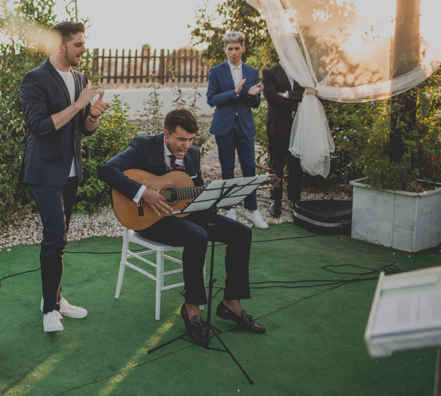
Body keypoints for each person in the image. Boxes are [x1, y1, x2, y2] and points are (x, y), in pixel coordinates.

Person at [99, 108, 266, 345]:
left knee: (241, 233)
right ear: (166, 133)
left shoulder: (193, 154)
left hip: (185, 213)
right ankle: (192, 308)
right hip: (150, 218)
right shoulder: (143, 146)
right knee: (197, 236)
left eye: (190, 140)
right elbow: (106, 170)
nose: (186, 145)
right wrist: (143, 192)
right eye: (181, 139)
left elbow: (194, 192)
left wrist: (215, 198)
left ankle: (232, 303)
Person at [20, 21, 109, 333]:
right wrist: (79, 104)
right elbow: (40, 126)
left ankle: (53, 298)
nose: (84, 50)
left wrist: (94, 114)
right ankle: (50, 310)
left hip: (71, 171)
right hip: (44, 170)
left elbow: (84, 129)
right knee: (55, 236)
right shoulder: (35, 79)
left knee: (60, 239)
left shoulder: (80, 78)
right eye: (78, 45)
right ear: (60, 46)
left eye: (83, 44)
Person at [206, 31, 268, 229]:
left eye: (236, 48)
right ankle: (230, 207)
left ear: (243, 48)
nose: (233, 52)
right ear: (225, 50)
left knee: (249, 168)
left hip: (245, 126)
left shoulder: (252, 72)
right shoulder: (216, 71)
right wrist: (234, 93)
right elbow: (212, 99)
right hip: (224, 126)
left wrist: (251, 95)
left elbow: (256, 103)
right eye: (230, 48)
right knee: (227, 169)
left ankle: (252, 210)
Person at [262, 62, 305, 218]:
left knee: (296, 164)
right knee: (275, 164)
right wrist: (294, 103)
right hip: (277, 126)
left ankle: (295, 200)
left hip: (297, 126)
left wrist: (286, 94)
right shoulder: (270, 72)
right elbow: (270, 96)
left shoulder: (301, 72)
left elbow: (306, 94)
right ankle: (275, 200)